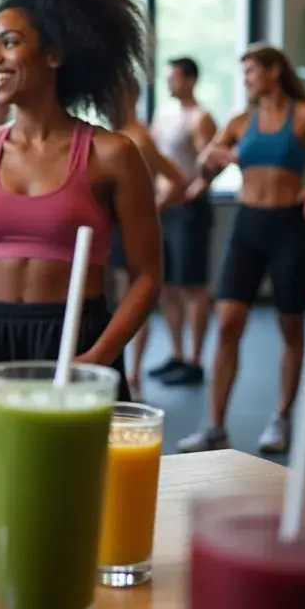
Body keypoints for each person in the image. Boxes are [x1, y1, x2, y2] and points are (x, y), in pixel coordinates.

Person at [0, 0, 162, 475]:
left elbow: (147, 276)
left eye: (10, 42)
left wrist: (98, 357)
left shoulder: (111, 154)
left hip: (77, 337)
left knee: (81, 500)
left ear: (54, 55)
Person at [178, 44, 305, 456]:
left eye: (251, 71)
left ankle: (280, 416)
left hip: (288, 227)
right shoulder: (241, 122)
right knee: (227, 323)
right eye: (242, 73)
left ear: (275, 70)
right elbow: (207, 167)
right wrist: (212, 157)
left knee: (290, 327)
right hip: (247, 226)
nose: (245, 79)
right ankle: (215, 427)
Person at [108, 74, 188, 395]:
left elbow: (178, 180)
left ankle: (134, 373)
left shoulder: (138, 138)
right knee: (117, 300)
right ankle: (127, 371)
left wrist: (152, 210)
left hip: (134, 233)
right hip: (112, 233)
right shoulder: (110, 136)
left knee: (135, 300)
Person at [147, 57, 218, 386]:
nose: (169, 83)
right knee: (168, 286)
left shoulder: (201, 118)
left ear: (190, 80)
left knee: (192, 286)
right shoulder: (163, 114)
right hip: (163, 208)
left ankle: (195, 359)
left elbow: (211, 162)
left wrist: (192, 192)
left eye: (174, 77)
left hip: (189, 211)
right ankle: (176, 354)